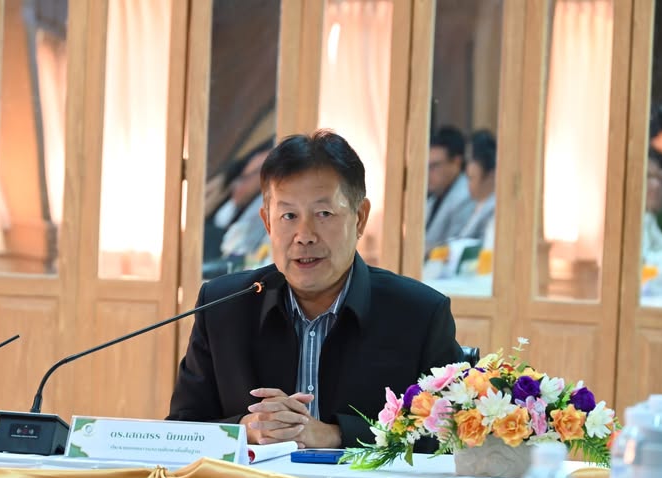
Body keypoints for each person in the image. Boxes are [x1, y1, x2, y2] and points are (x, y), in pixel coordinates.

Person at [168, 130, 464, 448]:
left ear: (360, 218)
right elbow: (181, 431)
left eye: (323, 214)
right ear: (267, 222)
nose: (304, 235)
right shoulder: (222, 307)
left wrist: (336, 435)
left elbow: (452, 436)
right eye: (288, 216)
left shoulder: (418, 314)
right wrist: (245, 430)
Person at [424, 126, 474, 253]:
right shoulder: (434, 198)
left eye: (435, 166)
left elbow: (453, 248)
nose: (428, 173)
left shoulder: (466, 196)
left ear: (456, 162)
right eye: (427, 167)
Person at [458, 130, 497, 241]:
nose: (468, 185)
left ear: (490, 175)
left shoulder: (494, 209)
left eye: (471, 178)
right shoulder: (473, 205)